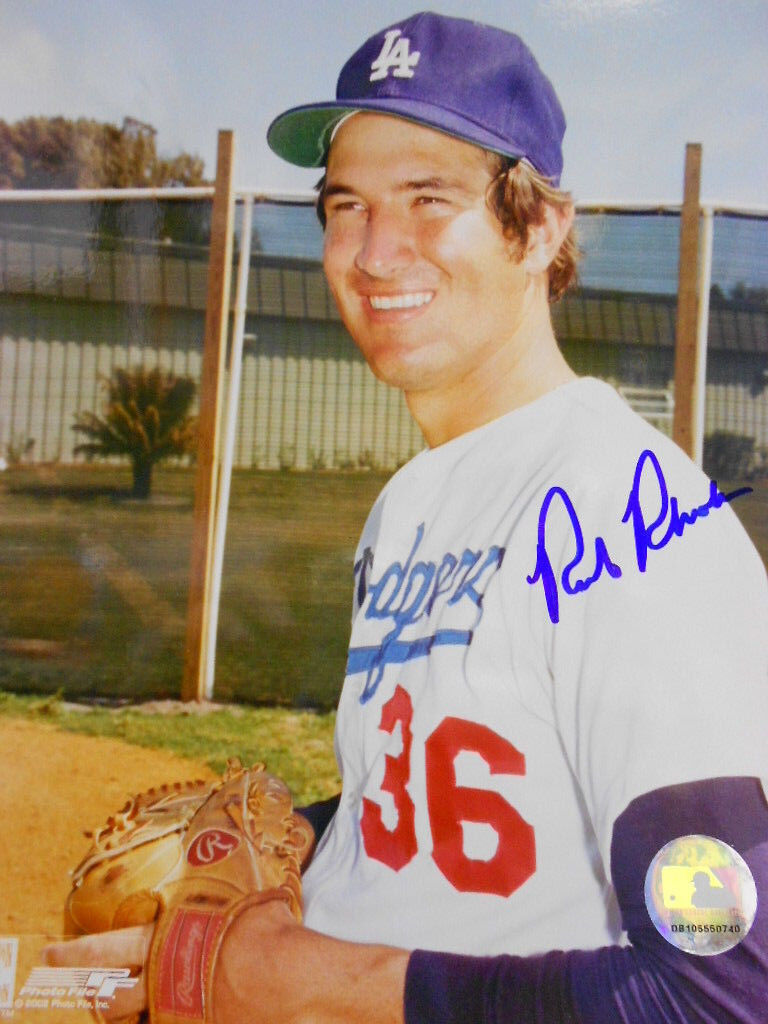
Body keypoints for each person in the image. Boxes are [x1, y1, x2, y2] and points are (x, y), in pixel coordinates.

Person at [47, 12, 767, 1022]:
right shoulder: (407, 506)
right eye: (347, 205)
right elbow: (449, 804)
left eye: (429, 199)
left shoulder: (637, 523)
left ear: (541, 226)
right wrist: (306, 832)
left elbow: (721, 988)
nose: (376, 251)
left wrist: (283, 976)